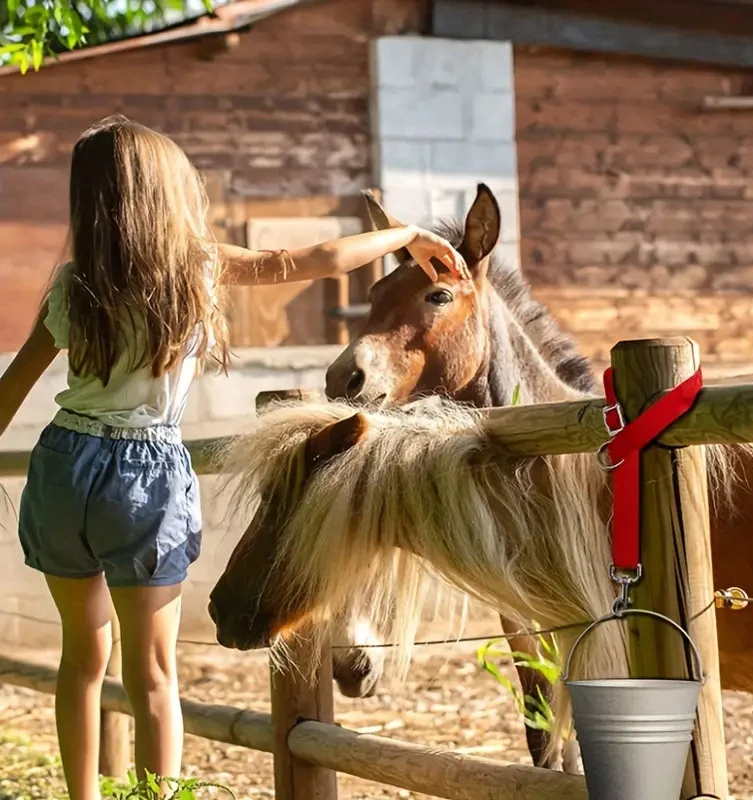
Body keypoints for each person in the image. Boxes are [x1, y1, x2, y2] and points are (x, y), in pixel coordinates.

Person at [0, 115, 466, 800]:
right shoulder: (197, 269)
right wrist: (409, 236)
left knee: (80, 659)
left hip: (64, 465)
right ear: (165, 193)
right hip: (143, 475)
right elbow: (320, 258)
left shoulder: (71, 286)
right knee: (154, 672)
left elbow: (9, 392)